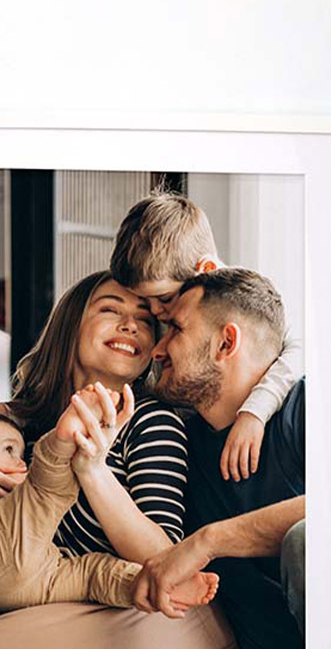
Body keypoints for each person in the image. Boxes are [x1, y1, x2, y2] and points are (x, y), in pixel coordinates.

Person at [0, 271, 197, 620]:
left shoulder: (151, 421)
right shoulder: (15, 418)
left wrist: (93, 470)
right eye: (110, 310)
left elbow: (162, 557)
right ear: (71, 324)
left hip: (73, 610)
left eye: (144, 319)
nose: (131, 325)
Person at [131, 267, 307, 649]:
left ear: (226, 343)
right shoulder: (174, 444)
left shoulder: (305, 408)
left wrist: (208, 542)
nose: (158, 349)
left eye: (176, 329)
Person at [0, 399, 217, 612]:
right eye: (8, 450)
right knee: (45, 490)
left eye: (22, 453)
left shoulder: (153, 421)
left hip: (44, 571)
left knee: (94, 575)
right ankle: (60, 445)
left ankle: (156, 588)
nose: (21, 462)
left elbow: (161, 551)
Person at [110, 190, 296, 483]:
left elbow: (299, 351)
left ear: (206, 270)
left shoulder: (251, 305)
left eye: (164, 298)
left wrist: (254, 412)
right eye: (146, 303)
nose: (156, 312)